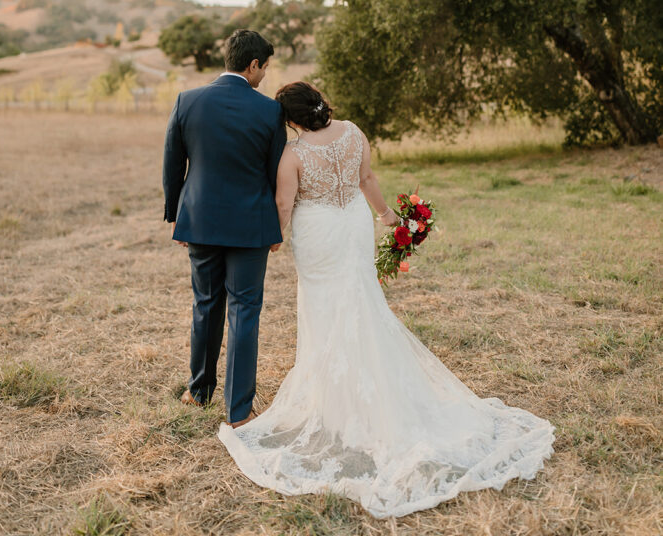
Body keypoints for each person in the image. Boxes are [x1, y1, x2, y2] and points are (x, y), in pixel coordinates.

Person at [218, 81, 554, 518]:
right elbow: (367, 179)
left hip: (318, 234)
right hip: (354, 224)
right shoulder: (354, 133)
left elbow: (285, 205)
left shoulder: (293, 155)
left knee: (324, 308)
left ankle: (336, 405)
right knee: (361, 301)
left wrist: (274, 241)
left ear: (293, 120)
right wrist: (387, 216)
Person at [162, 29, 286, 426]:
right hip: (251, 225)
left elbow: (172, 166)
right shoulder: (270, 111)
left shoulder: (188, 101)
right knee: (245, 310)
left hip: (200, 222)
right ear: (253, 65)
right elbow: (275, 176)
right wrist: (274, 227)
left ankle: (199, 392)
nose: (265, 75)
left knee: (206, 304)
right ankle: (238, 409)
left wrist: (175, 217)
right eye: (264, 67)